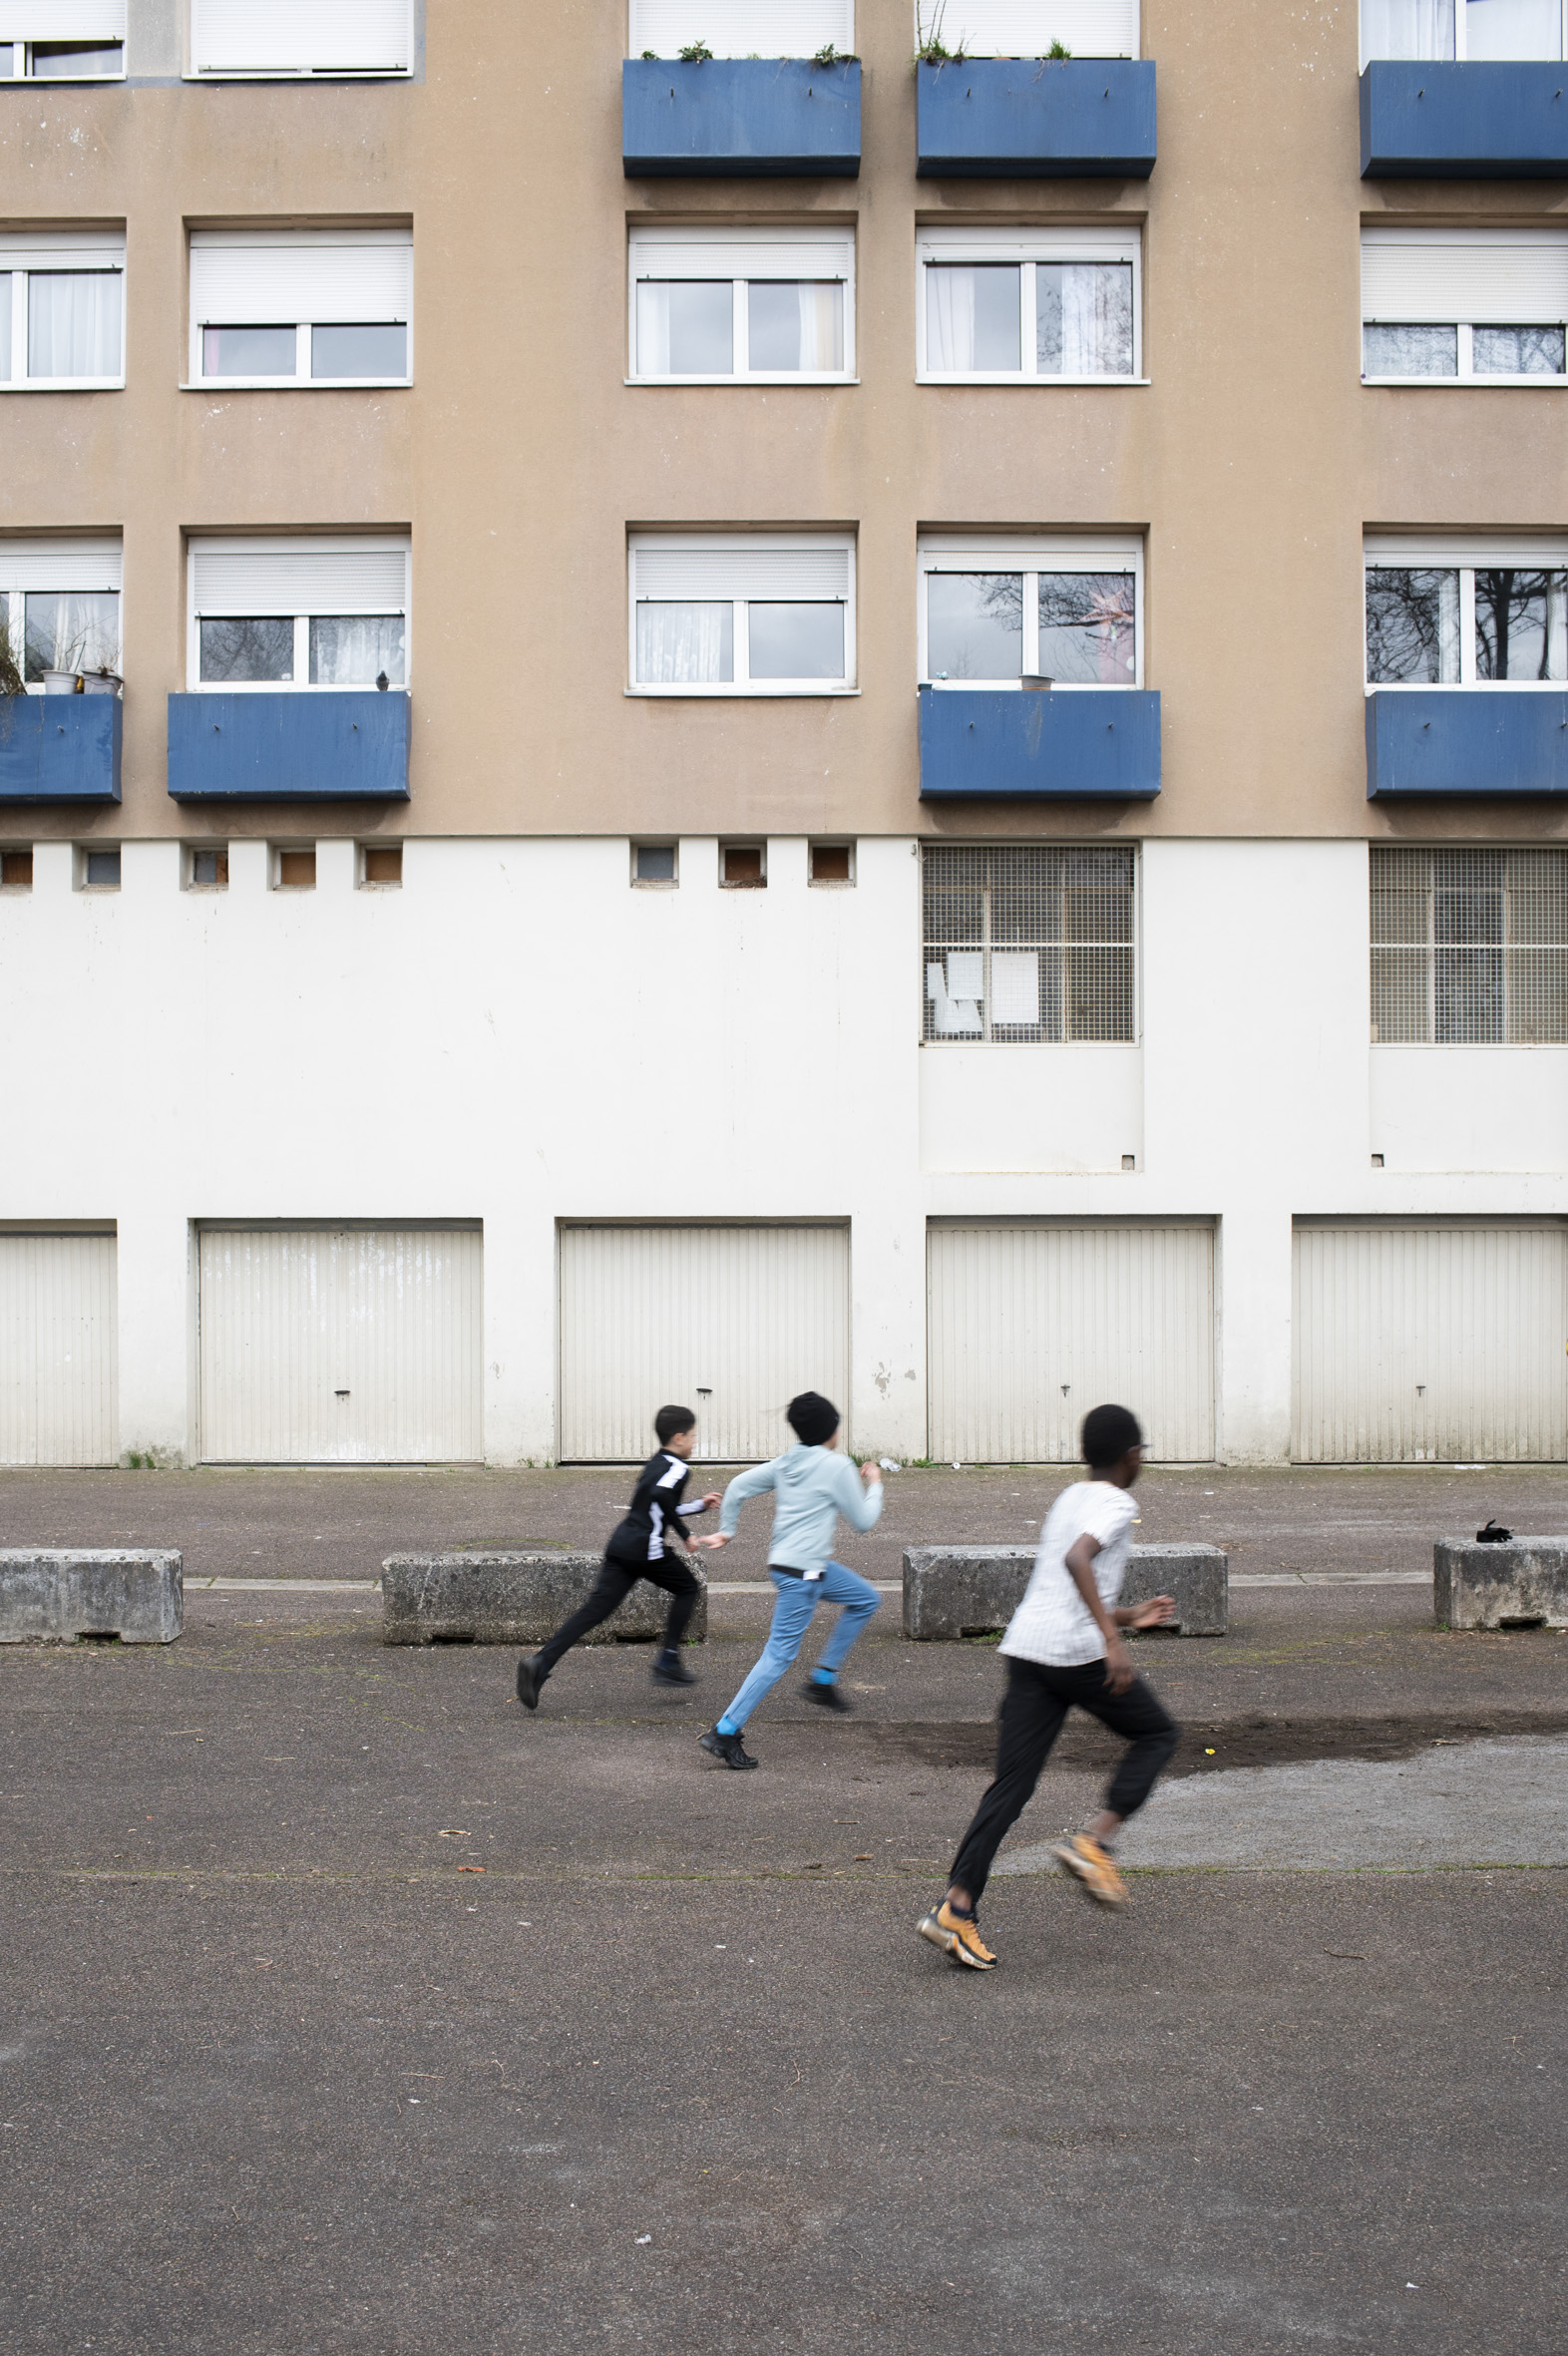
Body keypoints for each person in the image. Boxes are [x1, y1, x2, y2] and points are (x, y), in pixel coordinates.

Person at [918, 1403, 1179, 1971]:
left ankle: (955, 1911)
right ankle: (1095, 1842)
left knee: (1009, 1786)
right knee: (1157, 1734)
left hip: (1029, 1650)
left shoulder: (1069, 1497)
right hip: (1077, 1656)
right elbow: (1077, 1558)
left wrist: (1131, 1616)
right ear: (1131, 1456)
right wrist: (1113, 1640)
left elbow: (1073, 1584)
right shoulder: (1117, 1501)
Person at [696, 1391, 883, 1770]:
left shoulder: (787, 1462)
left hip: (794, 1566)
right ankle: (725, 1730)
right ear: (833, 1429)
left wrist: (727, 1531)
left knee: (865, 1598)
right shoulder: (837, 1465)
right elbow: (863, 1522)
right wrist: (876, 1483)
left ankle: (823, 1678)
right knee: (778, 1655)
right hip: (804, 1575)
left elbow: (738, 1486)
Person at [515, 1405, 719, 1711]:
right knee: (688, 1587)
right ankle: (669, 1659)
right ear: (678, 1437)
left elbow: (659, 1504)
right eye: (692, 1436)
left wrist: (698, 1505)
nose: (694, 1442)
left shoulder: (656, 1463)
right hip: (645, 1550)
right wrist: (686, 1535)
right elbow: (663, 1500)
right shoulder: (678, 1468)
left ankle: (540, 1662)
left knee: (594, 1611)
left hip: (622, 1544)